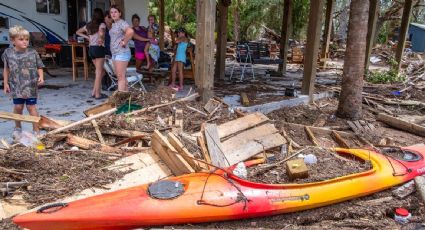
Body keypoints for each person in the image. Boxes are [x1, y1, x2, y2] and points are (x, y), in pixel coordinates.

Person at [2, 25, 44, 138]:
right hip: (16, 86)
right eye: (21, 39)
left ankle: (36, 130)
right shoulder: (8, 53)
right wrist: (5, 83)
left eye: (27, 39)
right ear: (12, 40)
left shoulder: (32, 52)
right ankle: (17, 128)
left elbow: (40, 66)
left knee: (31, 107)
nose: (25, 42)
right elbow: (6, 69)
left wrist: (41, 77)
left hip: (31, 85)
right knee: (18, 107)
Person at [76, 8, 107, 99]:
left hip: (91, 49)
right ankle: (98, 94)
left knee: (102, 72)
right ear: (101, 15)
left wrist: (88, 37)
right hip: (99, 48)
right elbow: (101, 33)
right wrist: (101, 38)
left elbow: (78, 32)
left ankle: (94, 92)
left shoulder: (88, 25)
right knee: (99, 72)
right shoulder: (101, 24)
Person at [108, 5, 134, 91]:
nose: (113, 14)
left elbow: (130, 31)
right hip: (115, 53)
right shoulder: (114, 24)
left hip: (122, 53)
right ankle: (126, 96)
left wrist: (125, 42)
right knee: (120, 76)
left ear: (120, 13)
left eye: (115, 12)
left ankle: (120, 99)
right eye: (111, 12)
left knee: (120, 77)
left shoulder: (122, 22)